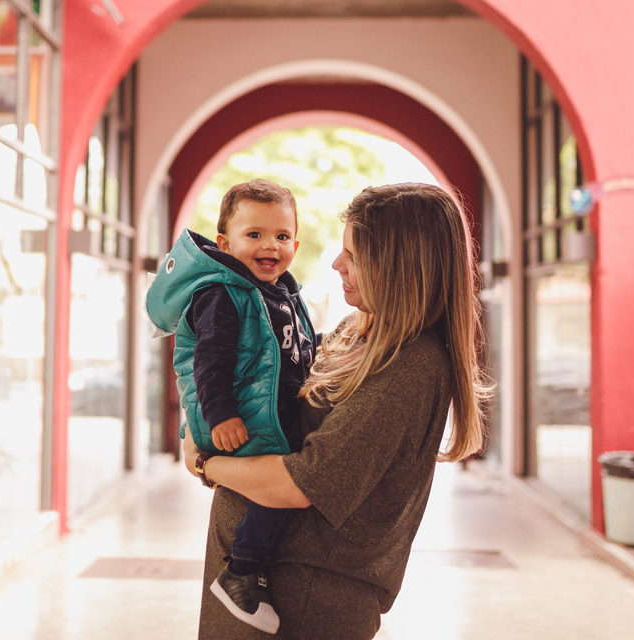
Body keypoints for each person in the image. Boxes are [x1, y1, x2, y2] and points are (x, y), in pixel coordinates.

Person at [182, 182, 491, 640]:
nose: (336, 263)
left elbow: (301, 482)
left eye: (354, 255)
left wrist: (207, 461)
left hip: (301, 603)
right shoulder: (356, 332)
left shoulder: (411, 366)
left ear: (400, 265)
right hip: (263, 590)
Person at [146, 179, 317, 634]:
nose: (270, 246)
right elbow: (209, 360)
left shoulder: (282, 293)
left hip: (269, 417)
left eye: (282, 237)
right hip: (240, 422)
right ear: (224, 244)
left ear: (295, 244)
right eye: (254, 235)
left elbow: (296, 348)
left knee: (286, 485)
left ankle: (251, 566)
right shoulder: (221, 293)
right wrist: (221, 415)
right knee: (279, 490)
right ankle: (242, 570)